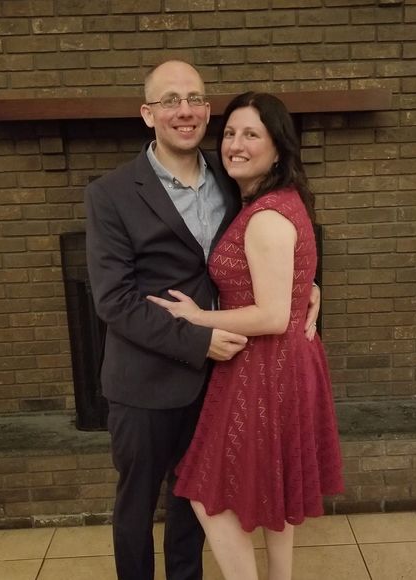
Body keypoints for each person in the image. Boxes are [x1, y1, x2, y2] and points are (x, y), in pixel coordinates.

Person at [85, 62, 321, 580]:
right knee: (137, 506)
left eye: (194, 98)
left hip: (222, 379)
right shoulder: (111, 194)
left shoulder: (233, 171)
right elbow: (114, 301)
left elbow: (269, 248)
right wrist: (199, 339)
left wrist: (308, 287)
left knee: (196, 500)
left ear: (207, 110)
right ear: (148, 114)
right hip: (145, 382)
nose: (184, 110)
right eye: (169, 100)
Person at [148, 92, 344, 580]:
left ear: (278, 149)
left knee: (203, 490)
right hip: (280, 363)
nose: (236, 144)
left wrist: (197, 318)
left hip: (266, 366)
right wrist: (309, 290)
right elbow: (286, 286)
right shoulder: (274, 201)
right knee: (276, 484)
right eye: (231, 133)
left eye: (252, 134)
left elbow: (273, 316)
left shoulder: (267, 216)